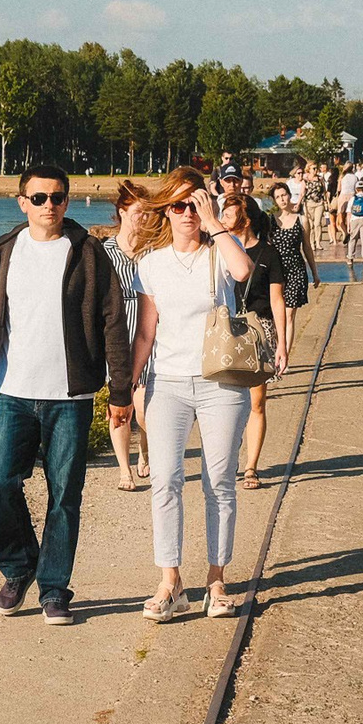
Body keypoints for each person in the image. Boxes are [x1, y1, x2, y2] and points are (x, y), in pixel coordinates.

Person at [0, 164, 136, 626]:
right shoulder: (4, 253)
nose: (49, 206)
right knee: (0, 480)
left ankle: (55, 589)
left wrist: (120, 391)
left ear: (67, 201)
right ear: (22, 202)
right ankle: (18, 569)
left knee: (64, 495)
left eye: (57, 197)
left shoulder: (89, 254)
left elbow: (113, 323)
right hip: (13, 392)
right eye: (39, 198)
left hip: (70, 397)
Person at [130, 168, 257, 621]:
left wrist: (215, 222)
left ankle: (216, 581)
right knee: (164, 481)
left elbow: (243, 271)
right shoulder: (152, 262)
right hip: (167, 382)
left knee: (218, 482)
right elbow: (146, 332)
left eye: (194, 203)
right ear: (166, 209)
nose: (187, 214)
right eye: (178, 205)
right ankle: (170, 582)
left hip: (221, 381)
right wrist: (128, 385)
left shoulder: (221, 251)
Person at [218, 195, 291, 490]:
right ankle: (227, 460)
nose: (222, 219)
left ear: (244, 218)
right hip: (226, 330)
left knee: (257, 402)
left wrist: (282, 344)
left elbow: (277, 301)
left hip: (259, 330)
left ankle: (251, 467)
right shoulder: (220, 251)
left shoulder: (269, 254)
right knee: (225, 401)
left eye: (227, 214)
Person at [104, 179, 155, 492]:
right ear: (122, 211)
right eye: (139, 211)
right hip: (119, 336)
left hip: (150, 334)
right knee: (120, 404)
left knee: (147, 408)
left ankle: (146, 448)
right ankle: (125, 470)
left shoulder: (154, 250)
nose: (145, 218)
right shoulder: (105, 252)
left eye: (148, 212)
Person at [266, 179, 317, 361]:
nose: (282, 199)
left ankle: (284, 357)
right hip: (276, 272)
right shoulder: (271, 221)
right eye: (278, 197)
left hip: (296, 270)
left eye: (284, 195)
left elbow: (307, 247)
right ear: (274, 200)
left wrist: (315, 273)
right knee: (275, 316)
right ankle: (277, 353)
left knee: (288, 315)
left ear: (289, 195)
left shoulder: (301, 220)